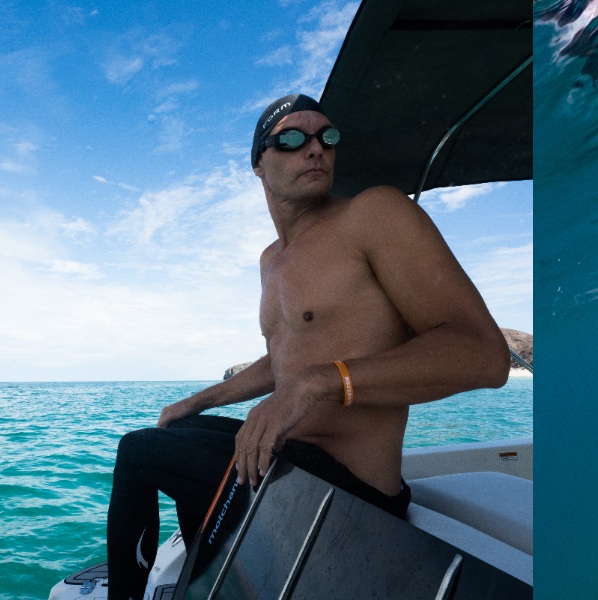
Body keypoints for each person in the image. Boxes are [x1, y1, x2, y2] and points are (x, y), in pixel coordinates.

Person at [105, 93, 510, 599]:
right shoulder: (271, 260)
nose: (314, 148)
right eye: (293, 139)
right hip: (291, 457)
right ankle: (215, 577)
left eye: (327, 137)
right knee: (176, 432)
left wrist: (318, 384)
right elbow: (284, 357)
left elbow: (484, 356)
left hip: (349, 484)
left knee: (139, 452)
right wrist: (201, 399)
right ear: (259, 164)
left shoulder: (374, 214)